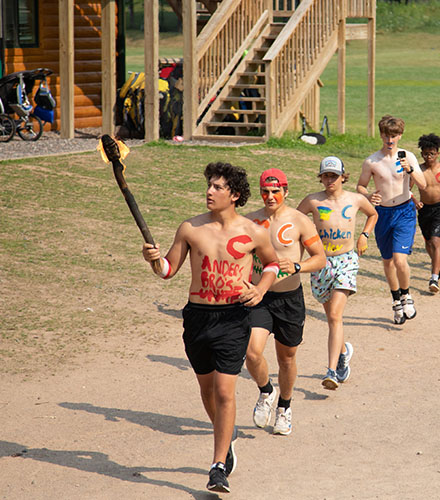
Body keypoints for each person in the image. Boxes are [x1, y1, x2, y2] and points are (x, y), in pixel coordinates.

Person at [141, 162, 279, 493]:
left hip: (234, 317)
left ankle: (217, 467)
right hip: (197, 318)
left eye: (217, 187)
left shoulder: (253, 232)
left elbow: (273, 263)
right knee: (206, 390)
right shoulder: (190, 229)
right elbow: (167, 270)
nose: (209, 191)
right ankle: (225, 438)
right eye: (209, 186)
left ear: (234, 195)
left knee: (223, 390)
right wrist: (153, 259)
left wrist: (259, 289)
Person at [245, 169, 326, 436]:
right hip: (259, 297)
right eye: (265, 192)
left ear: (285, 191)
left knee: (287, 358)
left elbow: (320, 258)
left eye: (275, 191)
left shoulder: (300, 221)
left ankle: (284, 408)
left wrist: (298, 266)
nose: (270, 196)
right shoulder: (250, 221)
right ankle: (266, 391)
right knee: (252, 352)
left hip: (289, 299)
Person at [298, 156, 377, 389]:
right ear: (321, 177)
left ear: (343, 176)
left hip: (346, 261)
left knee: (334, 316)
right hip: (321, 263)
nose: (330, 179)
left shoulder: (355, 199)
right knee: (333, 319)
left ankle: (331, 371)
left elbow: (373, 214)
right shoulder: (312, 201)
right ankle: (343, 352)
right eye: (326, 175)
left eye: (334, 175)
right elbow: (294, 223)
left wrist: (364, 235)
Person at [356, 115, 427, 324]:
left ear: (400, 136)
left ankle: (407, 296)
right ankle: (396, 301)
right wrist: (368, 196)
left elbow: (422, 185)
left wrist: (411, 170)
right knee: (387, 261)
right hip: (382, 214)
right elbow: (360, 186)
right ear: (381, 135)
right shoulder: (372, 161)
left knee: (400, 259)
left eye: (394, 136)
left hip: (404, 211)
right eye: (387, 136)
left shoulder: (408, 157)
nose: (390, 140)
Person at [412, 133, 440, 292]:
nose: (429, 156)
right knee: (428, 242)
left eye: (432, 153)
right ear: (421, 154)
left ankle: (434, 279)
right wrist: (415, 201)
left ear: (437, 153)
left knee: (436, 241)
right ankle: (437, 265)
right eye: (425, 153)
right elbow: (408, 190)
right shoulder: (418, 170)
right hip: (424, 210)